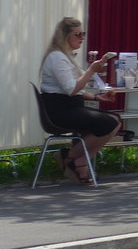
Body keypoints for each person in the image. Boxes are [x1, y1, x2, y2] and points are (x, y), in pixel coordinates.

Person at [39, 17, 123, 184]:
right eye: (78, 34)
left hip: (69, 108)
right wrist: (91, 70)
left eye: (83, 33)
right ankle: (68, 157)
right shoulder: (57, 58)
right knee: (109, 123)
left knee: (115, 120)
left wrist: (96, 97)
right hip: (59, 112)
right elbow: (71, 90)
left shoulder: (65, 56)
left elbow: (74, 89)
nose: (82, 38)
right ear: (65, 36)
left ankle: (79, 162)